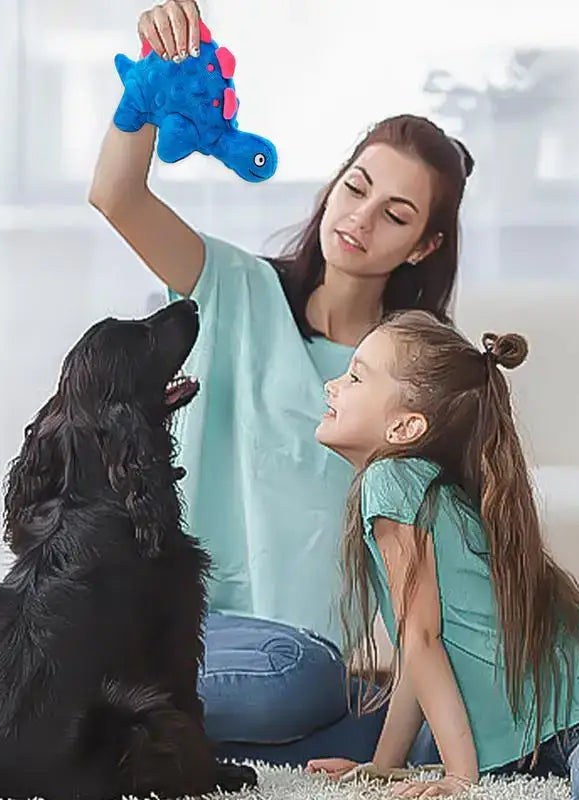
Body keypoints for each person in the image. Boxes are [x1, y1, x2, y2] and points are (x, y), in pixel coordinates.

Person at [89, 0, 473, 764]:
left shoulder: (413, 383)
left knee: (321, 695)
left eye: (395, 214)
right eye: (356, 186)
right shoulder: (231, 286)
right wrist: (144, 100)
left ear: (423, 245)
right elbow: (116, 197)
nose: (360, 218)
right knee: (300, 699)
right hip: (178, 624)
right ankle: (110, 713)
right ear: (333, 183)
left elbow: (426, 578)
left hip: (296, 660)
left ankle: (101, 721)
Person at [306, 310, 579, 798]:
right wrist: (383, 765)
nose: (332, 385)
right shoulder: (416, 487)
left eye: (354, 376)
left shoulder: (389, 481)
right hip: (545, 732)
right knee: (440, 742)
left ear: (405, 427)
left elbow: (423, 639)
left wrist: (461, 778)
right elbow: (420, 651)